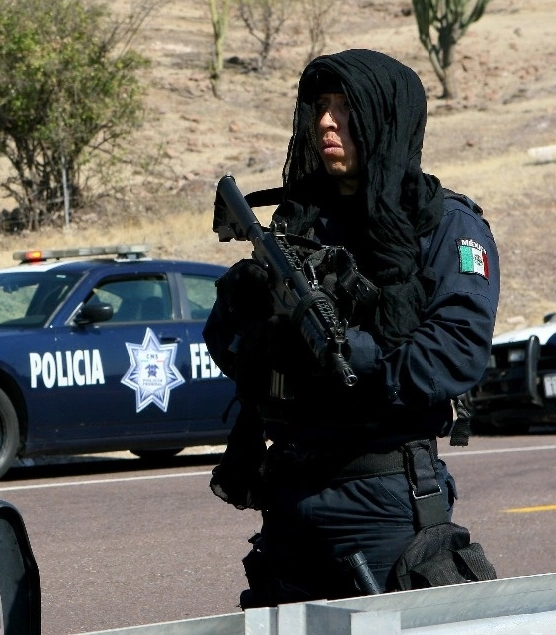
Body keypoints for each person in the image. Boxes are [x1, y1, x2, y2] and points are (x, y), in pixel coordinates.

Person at [203, 48, 500, 607]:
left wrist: (355, 357)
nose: (326, 122)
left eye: (345, 108)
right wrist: (259, 332)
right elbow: (225, 342)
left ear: (385, 119)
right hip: (291, 491)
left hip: (384, 497)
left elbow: (456, 352)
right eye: (320, 106)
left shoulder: (444, 226)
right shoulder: (295, 226)